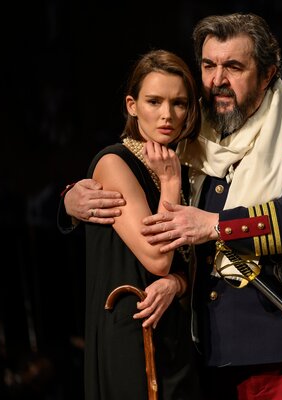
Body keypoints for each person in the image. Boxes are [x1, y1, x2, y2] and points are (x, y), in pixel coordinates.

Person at [60, 13, 282, 400]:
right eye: (208, 66)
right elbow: (135, 175)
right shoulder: (196, 118)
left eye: (233, 66)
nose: (218, 79)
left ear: (268, 73)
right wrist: (69, 198)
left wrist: (218, 226)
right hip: (210, 350)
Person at [76, 49, 202, 399]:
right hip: (132, 330)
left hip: (175, 332)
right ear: (132, 105)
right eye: (154, 101)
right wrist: (171, 184)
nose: (167, 115)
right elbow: (158, 259)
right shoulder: (114, 163)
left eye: (179, 103)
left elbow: (193, 263)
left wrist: (178, 283)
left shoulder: (187, 166)